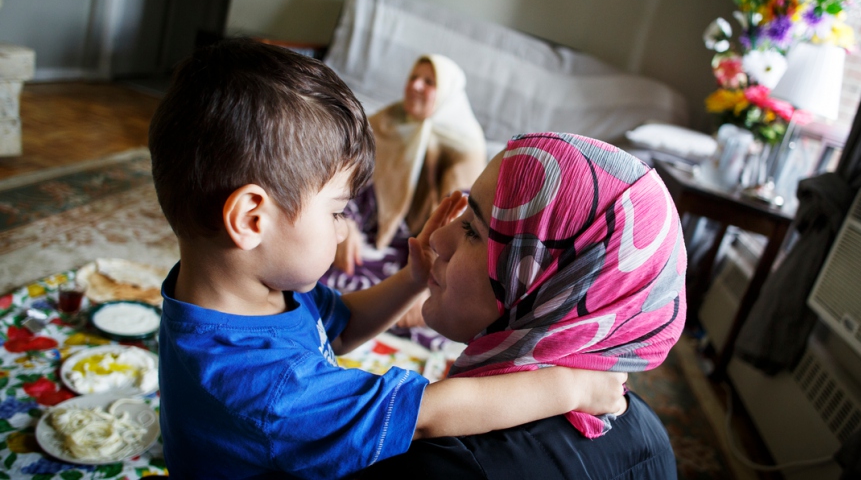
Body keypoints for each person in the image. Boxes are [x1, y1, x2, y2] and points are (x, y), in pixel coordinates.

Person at [147, 39, 627, 480]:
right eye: (337, 211)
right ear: (253, 220)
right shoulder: (264, 386)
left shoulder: (241, 290)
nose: (341, 229)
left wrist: (413, 280)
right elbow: (427, 415)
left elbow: (341, 324)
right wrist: (572, 389)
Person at [361, 132, 686, 479]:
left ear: (553, 284)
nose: (438, 239)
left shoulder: (445, 461)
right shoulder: (648, 434)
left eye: (472, 229)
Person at [321, 54, 487, 306]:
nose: (415, 86)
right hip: (362, 229)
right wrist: (344, 221)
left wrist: (425, 285)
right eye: (413, 77)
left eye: (429, 82)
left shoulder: (466, 148)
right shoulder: (386, 122)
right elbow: (347, 175)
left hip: (414, 249)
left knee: (395, 303)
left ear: (447, 94)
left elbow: (457, 223)